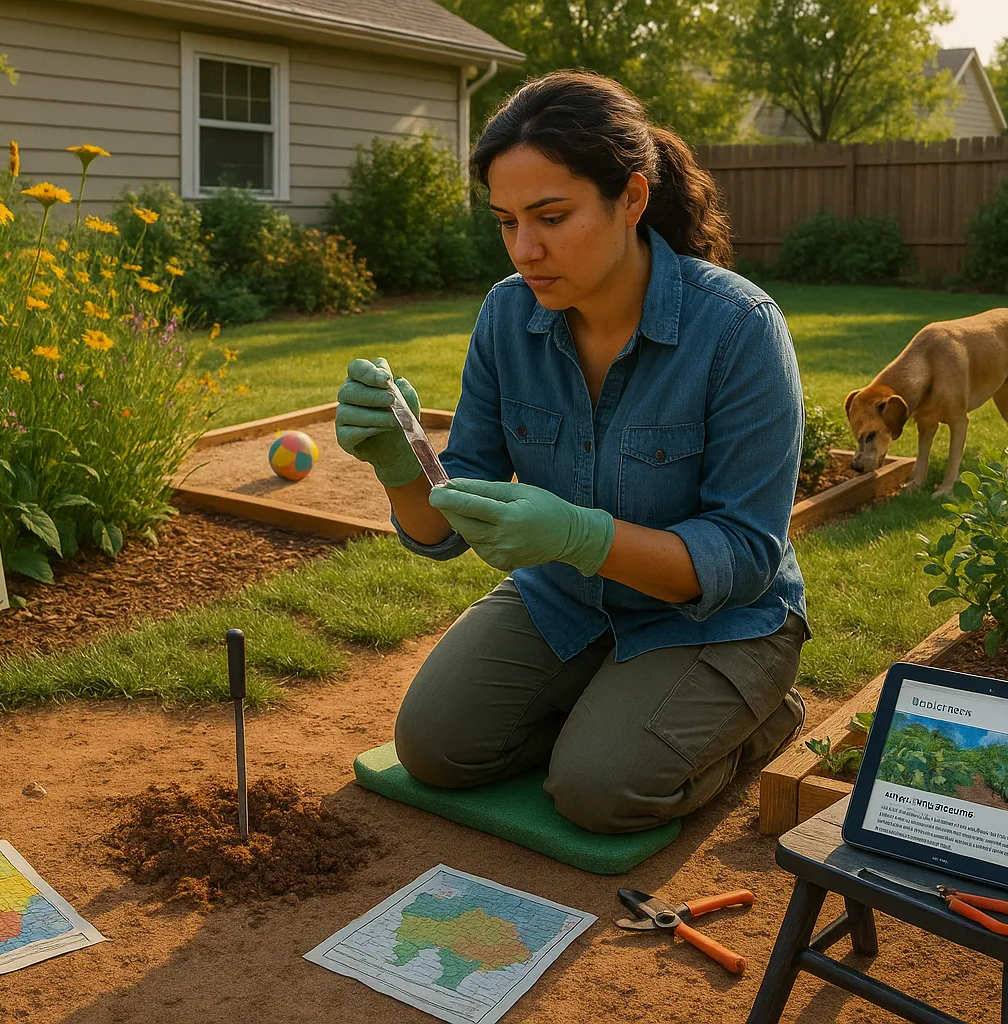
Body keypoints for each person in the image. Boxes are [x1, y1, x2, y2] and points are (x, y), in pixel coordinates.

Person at [333, 71, 809, 834]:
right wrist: (401, 463)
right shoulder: (506, 315)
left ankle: (761, 716)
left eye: (552, 216)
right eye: (506, 220)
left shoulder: (739, 328)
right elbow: (446, 528)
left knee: (600, 791)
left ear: (631, 197)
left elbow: (746, 555)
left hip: (718, 621)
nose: (525, 249)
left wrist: (580, 536)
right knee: (434, 749)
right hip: (565, 600)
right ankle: (609, 702)